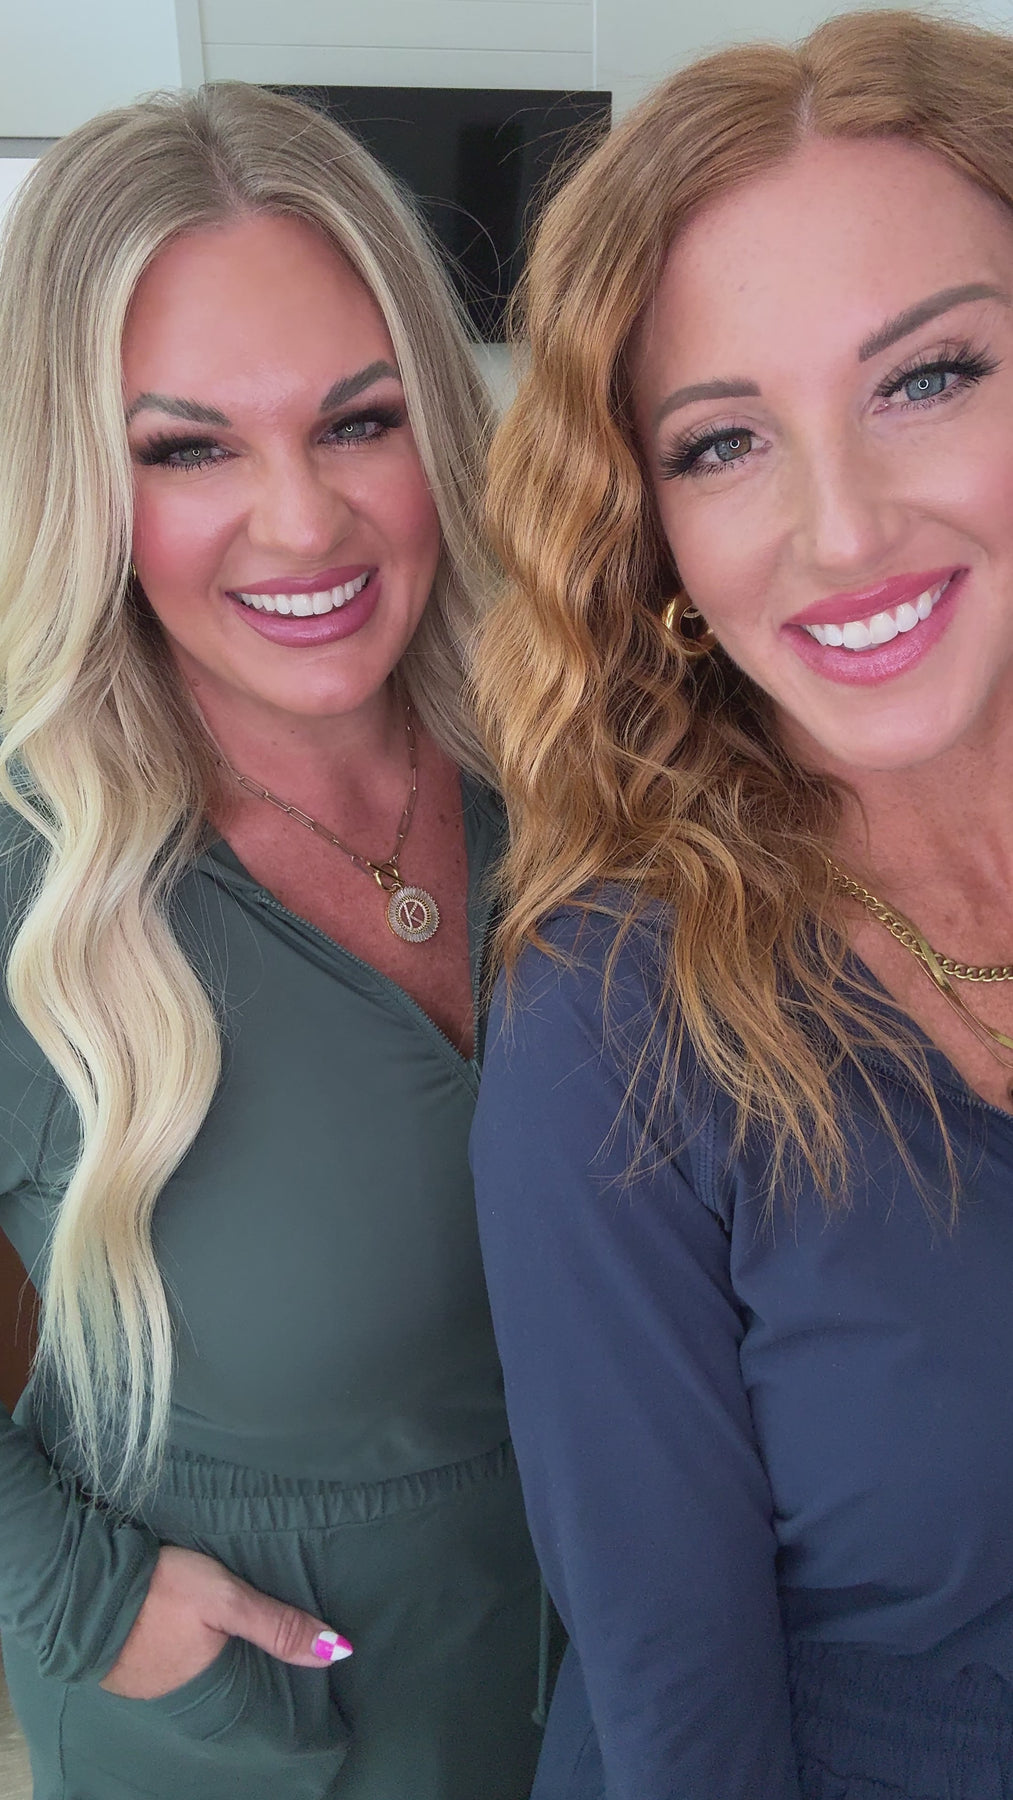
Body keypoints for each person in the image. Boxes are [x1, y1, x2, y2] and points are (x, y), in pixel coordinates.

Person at [469, 9, 1013, 1798]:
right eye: (720, 443)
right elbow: (676, 1715)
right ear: (653, 538)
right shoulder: (610, 1017)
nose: (840, 531)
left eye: (926, 377)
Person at [0, 81, 547, 1800]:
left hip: (630, 1709)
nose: (303, 523)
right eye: (189, 448)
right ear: (84, 480)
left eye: (358, 421)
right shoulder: (31, 864)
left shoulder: (575, 781)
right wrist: (74, 1596)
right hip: (266, 1744)